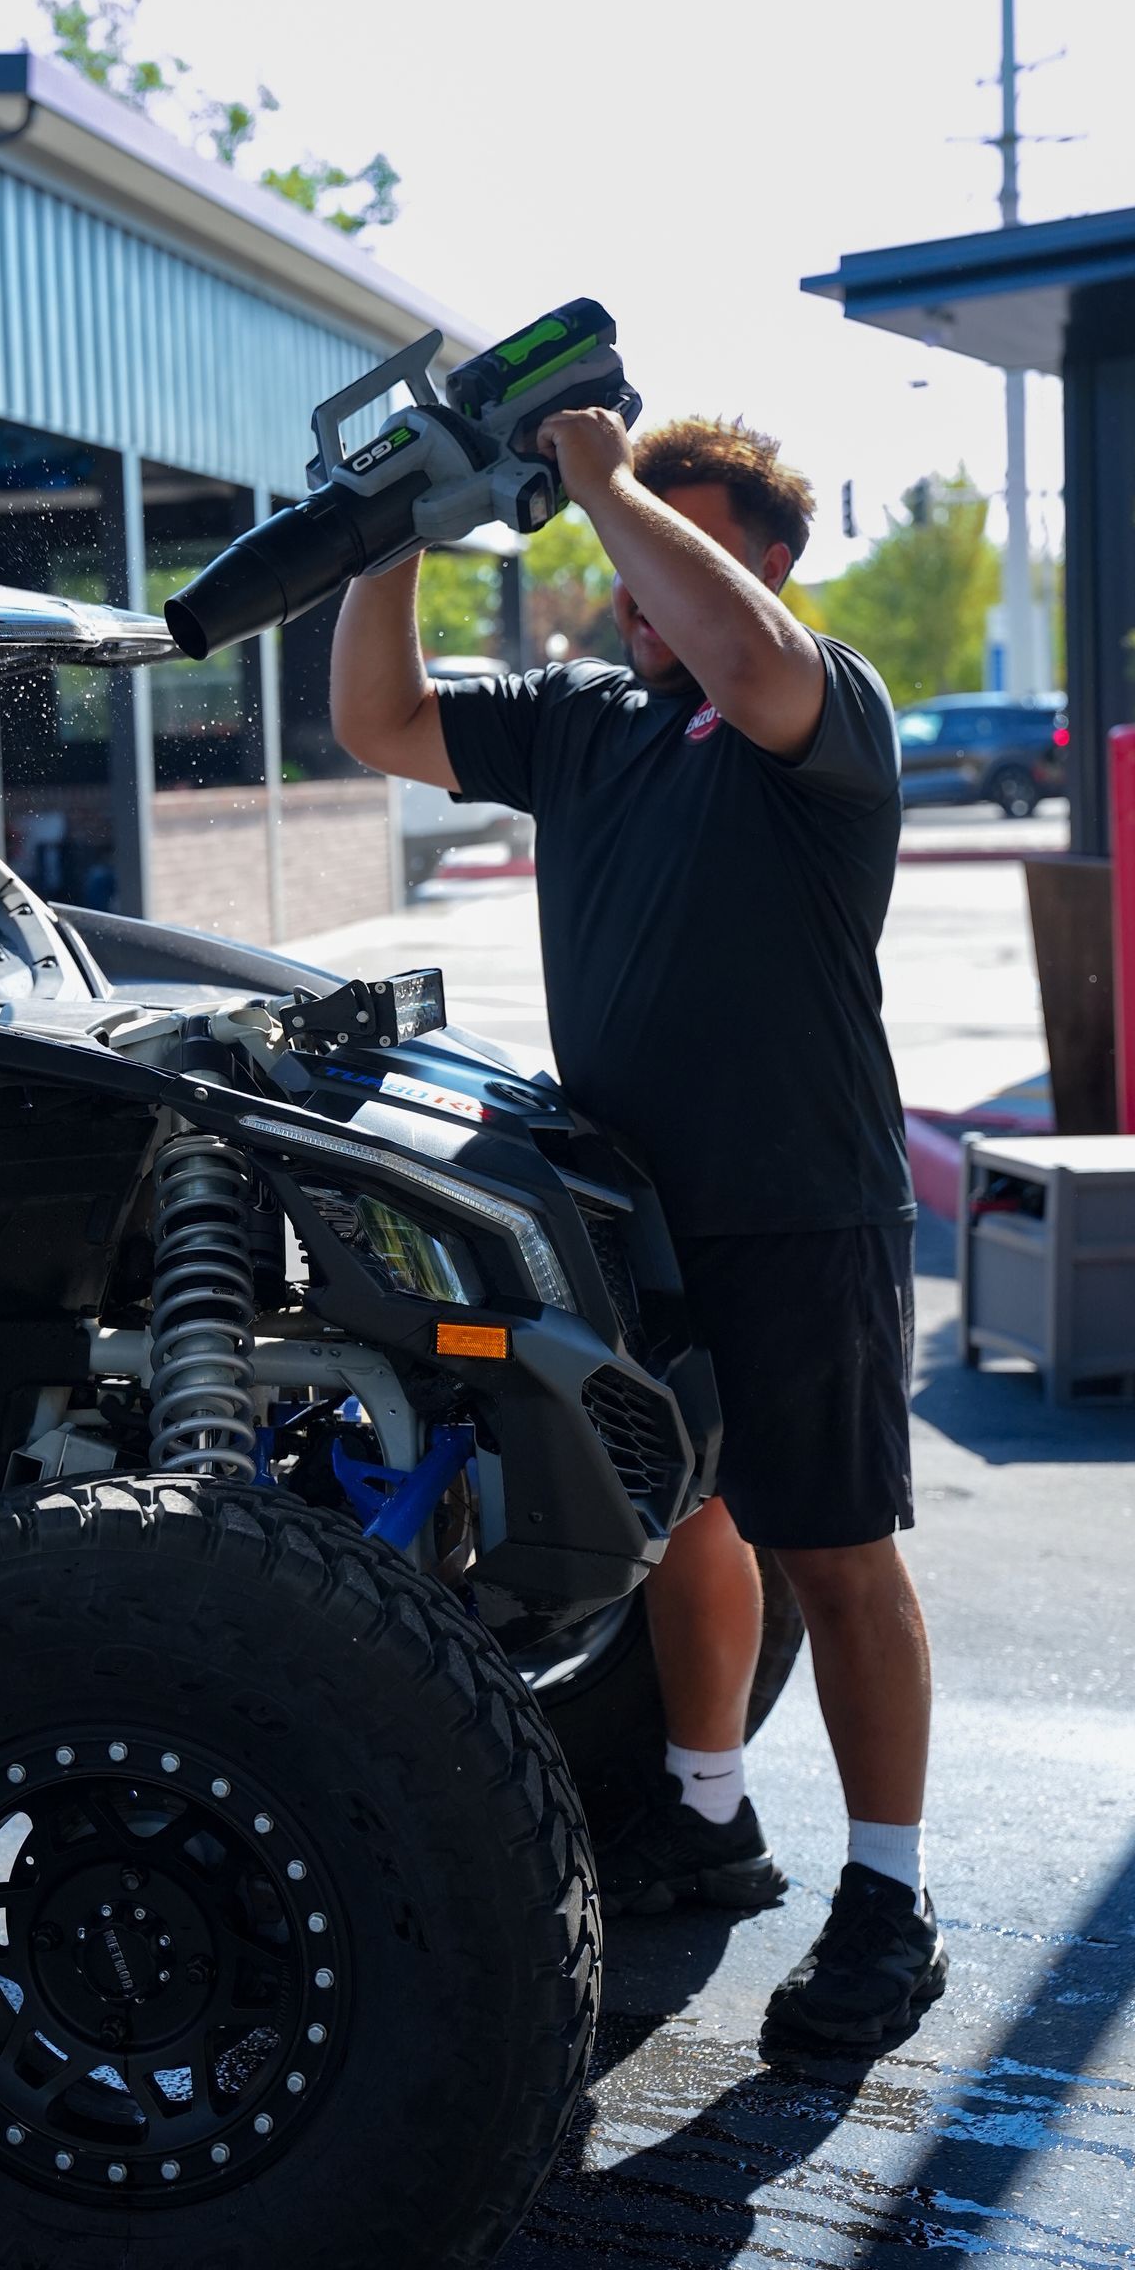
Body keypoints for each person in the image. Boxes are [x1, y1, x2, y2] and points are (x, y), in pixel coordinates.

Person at [329, 406, 945, 2054]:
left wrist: (599, 479)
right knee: (683, 1515)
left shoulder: (821, 708)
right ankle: (708, 1811)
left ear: (763, 560)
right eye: (619, 551)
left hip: (798, 1197)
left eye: (665, 544)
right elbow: (378, 719)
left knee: (837, 1543)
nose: (626, 584)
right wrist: (385, 541)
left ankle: (889, 1901)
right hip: (628, 1206)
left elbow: (750, 669)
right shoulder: (589, 722)